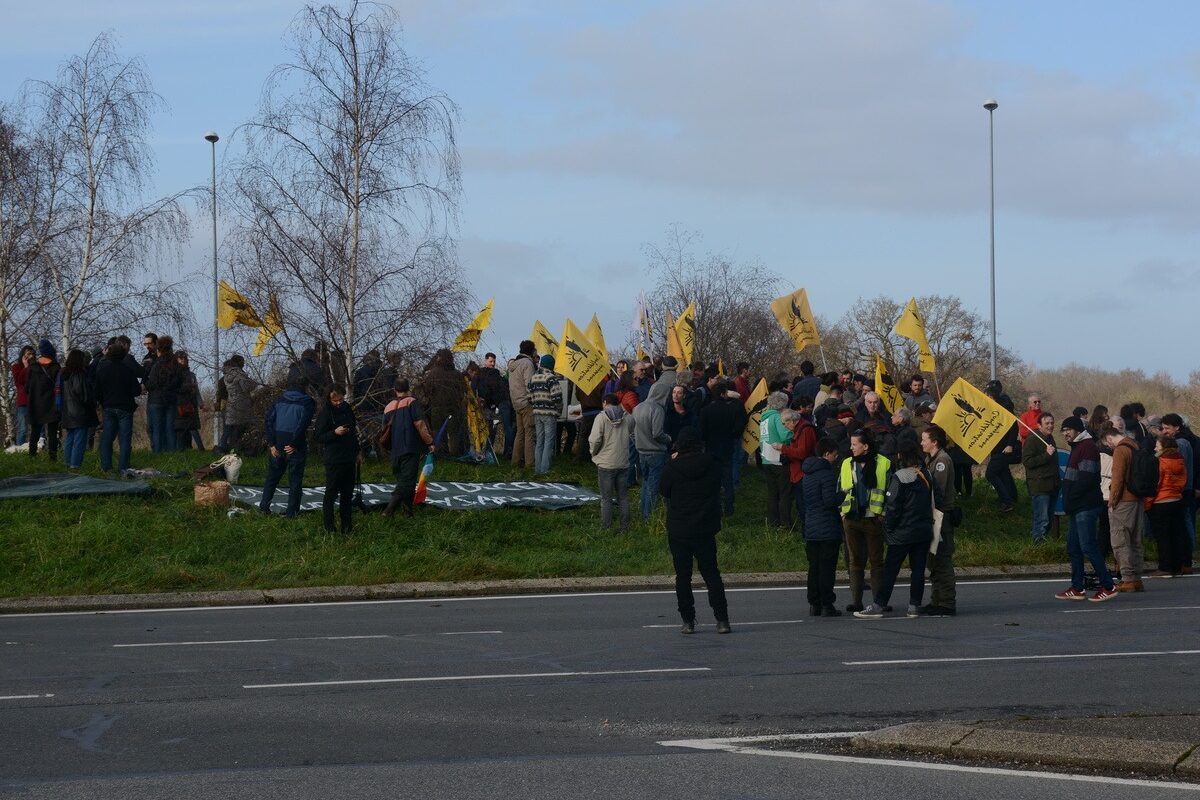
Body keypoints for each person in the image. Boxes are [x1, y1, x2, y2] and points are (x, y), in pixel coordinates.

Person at [659, 427, 729, 635]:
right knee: (711, 574)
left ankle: (688, 620)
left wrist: (673, 462)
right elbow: (719, 484)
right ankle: (722, 619)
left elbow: (664, 490)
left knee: (683, 576)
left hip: (680, 527)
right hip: (705, 526)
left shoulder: (673, 467)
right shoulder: (712, 464)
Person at [854, 441, 935, 619]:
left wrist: (888, 528)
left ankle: (879, 605)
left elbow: (893, 507)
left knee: (890, 570)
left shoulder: (899, 477)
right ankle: (914, 606)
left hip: (902, 533)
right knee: (918, 570)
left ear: (900, 457)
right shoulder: (926, 474)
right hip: (923, 530)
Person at [1054, 416, 1117, 602]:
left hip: (1086, 506)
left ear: (1077, 430)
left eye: (1068, 429)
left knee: (1088, 546)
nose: (1065, 433)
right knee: (1073, 547)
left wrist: (1071, 497)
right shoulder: (1077, 447)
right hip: (1076, 506)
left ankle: (1108, 585)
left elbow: (1087, 478)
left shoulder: (1087, 447)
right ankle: (1077, 587)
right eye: (1063, 430)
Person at [839, 429, 891, 612]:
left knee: (877, 561)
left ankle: (879, 601)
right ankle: (856, 601)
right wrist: (842, 513)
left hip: (873, 519)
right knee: (855, 561)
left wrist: (882, 513)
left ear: (866, 446)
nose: (851, 447)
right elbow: (840, 489)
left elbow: (889, 491)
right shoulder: (847, 463)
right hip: (851, 518)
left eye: (854, 444)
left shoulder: (883, 463)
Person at [259, 379, 316, 518]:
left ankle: (263, 507)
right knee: (295, 481)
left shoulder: (279, 400)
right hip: (295, 447)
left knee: (272, 478)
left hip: (277, 445)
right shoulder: (308, 402)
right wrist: (294, 444)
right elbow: (303, 424)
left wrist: (272, 444)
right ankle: (292, 513)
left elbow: (268, 421)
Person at [802, 438, 845, 617]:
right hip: (827, 527)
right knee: (827, 568)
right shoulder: (827, 474)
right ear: (827, 454)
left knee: (814, 567)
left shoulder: (807, 474)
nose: (835, 459)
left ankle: (814, 604)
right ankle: (828, 604)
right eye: (834, 455)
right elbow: (829, 500)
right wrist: (842, 495)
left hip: (811, 526)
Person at [1101, 423, 1145, 592]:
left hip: (1124, 500)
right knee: (1135, 540)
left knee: (1120, 539)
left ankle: (1127, 578)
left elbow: (1117, 478)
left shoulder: (1120, 450)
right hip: (1137, 499)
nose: (1109, 447)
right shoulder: (1135, 445)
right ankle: (1137, 578)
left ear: (1110, 438)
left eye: (1108, 444)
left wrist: (1112, 502)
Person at [919, 424, 958, 616]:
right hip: (933, 515)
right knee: (933, 559)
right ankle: (936, 600)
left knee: (942, 559)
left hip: (941, 515)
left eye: (924, 439)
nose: (921, 443)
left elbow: (938, 491)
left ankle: (947, 602)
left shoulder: (942, 460)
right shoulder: (930, 459)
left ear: (934, 442)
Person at [383, 378, 434, 517]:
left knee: (404, 479)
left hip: (394, 449)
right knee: (407, 480)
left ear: (395, 390)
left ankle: (408, 511)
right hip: (410, 447)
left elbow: (384, 428)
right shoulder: (412, 402)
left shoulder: (388, 406)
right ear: (408, 389)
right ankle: (390, 509)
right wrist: (429, 442)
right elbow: (420, 424)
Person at [314, 383, 361, 534]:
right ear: (329, 399)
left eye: (341, 399)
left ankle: (347, 527)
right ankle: (329, 527)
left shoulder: (347, 409)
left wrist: (358, 451)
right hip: (334, 459)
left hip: (349, 457)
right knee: (331, 494)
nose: (339, 403)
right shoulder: (325, 413)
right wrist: (335, 432)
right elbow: (318, 437)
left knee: (347, 495)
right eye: (335, 401)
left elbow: (353, 432)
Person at [699, 381, 748, 517]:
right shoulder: (731, 409)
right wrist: (732, 436)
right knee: (728, 479)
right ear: (723, 394)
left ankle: (715, 506)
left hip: (711, 448)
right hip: (727, 446)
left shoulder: (705, 410)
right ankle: (729, 508)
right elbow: (738, 427)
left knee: (713, 479)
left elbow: (702, 432)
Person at [1159, 413, 1196, 574]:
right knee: (1184, 526)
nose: (1164, 431)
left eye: (1167, 428)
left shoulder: (1180, 443)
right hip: (1184, 489)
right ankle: (1184, 560)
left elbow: (1176, 467)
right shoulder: (1188, 440)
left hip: (1180, 491)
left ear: (1177, 428)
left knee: (1183, 527)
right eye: (1163, 428)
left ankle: (1184, 560)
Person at [94, 341, 140, 471]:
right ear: (123, 355)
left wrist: (104, 401)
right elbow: (136, 391)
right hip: (125, 408)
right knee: (125, 440)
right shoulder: (128, 371)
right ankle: (124, 468)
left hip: (108, 407)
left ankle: (106, 467)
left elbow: (96, 392)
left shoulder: (102, 370)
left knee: (107, 438)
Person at [589, 393, 632, 531]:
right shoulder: (628, 418)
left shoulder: (601, 418)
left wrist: (593, 452)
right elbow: (632, 429)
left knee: (606, 498)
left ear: (605, 402)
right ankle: (625, 527)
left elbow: (594, 439)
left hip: (606, 463)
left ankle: (606, 527)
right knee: (623, 497)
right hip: (623, 462)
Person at [1147, 435, 1189, 577]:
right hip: (1176, 499)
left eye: (1157, 446)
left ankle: (1165, 567)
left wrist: (1148, 503)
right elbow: (1183, 481)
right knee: (1176, 534)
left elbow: (1156, 483)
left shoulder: (1160, 461)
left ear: (1163, 447)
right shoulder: (1179, 459)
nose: (1155, 448)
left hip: (1161, 501)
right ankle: (1177, 566)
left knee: (1162, 536)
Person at [633, 377, 672, 519]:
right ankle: (648, 517)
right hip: (656, 452)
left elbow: (632, 429)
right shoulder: (657, 409)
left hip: (641, 451)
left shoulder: (638, 407)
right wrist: (669, 439)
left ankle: (643, 511)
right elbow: (657, 433)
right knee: (653, 487)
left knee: (646, 482)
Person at [1021, 412, 1060, 544]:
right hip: (1039, 485)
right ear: (1039, 425)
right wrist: (1046, 455)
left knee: (1049, 517)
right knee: (1042, 518)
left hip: (1052, 484)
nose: (1050, 426)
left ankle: (1043, 542)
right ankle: (1038, 544)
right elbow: (1027, 461)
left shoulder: (1050, 438)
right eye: (1047, 423)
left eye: (1052, 423)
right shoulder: (1032, 439)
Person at [777, 407, 817, 528]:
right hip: (798, 472)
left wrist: (783, 448)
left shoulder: (805, 430)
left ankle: (809, 530)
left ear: (793, 421)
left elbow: (802, 452)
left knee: (804, 504)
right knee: (800, 504)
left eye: (785, 423)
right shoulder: (800, 428)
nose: (784, 426)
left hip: (803, 473)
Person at [760, 391, 793, 528]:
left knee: (772, 493)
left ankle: (773, 522)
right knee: (785, 493)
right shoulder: (777, 418)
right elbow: (785, 436)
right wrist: (793, 432)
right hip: (779, 458)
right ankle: (785, 523)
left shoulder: (764, 418)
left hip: (766, 459)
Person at [59, 349, 96, 469]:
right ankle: (75, 465)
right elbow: (82, 393)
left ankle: (67, 463)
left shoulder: (64, 374)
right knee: (80, 440)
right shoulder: (78, 374)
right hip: (79, 412)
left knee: (70, 438)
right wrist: (91, 402)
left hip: (67, 412)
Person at [144, 336, 182, 453]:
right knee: (170, 428)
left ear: (159, 349)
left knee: (157, 429)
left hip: (156, 400)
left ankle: (157, 453)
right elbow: (179, 381)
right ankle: (171, 453)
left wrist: (145, 385)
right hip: (171, 399)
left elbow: (152, 383)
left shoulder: (157, 364)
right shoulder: (175, 364)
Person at [25, 339, 61, 460]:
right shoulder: (56, 366)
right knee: (52, 433)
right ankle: (52, 458)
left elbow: (27, 387)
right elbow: (59, 385)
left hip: (35, 403)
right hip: (51, 403)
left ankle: (32, 456)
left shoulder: (32, 366)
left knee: (35, 432)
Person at [528, 354, 562, 475]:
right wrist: (559, 411)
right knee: (549, 441)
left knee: (539, 441)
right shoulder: (551, 378)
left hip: (537, 413)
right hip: (549, 414)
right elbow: (557, 397)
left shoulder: (533, 378)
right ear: (552, 366)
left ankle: (537, 469)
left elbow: (529, 398)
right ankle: (545, 470)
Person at [507, 340, 538, 469]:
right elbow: (530, 385)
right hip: (526, 403)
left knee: (520, 433)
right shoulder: (527, 364)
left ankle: (515, 461)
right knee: (529, 433)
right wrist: (533, 400)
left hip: (516, 403)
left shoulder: (513, 365)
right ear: (531, 351)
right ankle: (529, 464)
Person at [477, 352, 514, 458]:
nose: (493, 364)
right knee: (507, 427)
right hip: (501, 402)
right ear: (485, 361)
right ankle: (506, 452)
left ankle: (489, 451)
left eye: (494, 361)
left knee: (493, 428)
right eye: (491, 361)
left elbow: (487, 391)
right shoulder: (495, 375)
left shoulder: (491, 375)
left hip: (497, 403)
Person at [217, 355, 255, 454]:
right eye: (242, 361)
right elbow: (246, 387)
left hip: (230, 403)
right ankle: (235, 448)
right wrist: (253, 383)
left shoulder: (226, 376)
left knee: (229, 427)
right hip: (241, 404)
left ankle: (222, 447)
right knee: (240, 427)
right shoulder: (239, 374)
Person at [173, 351, 203, 450]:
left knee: (192, 427)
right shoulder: (174, 374)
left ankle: (200, 448)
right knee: (181, 429)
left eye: (185, 358)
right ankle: (181, 449)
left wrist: (200, 403)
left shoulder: (191, 375)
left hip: (191, 403)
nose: (183, 360)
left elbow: (197, 390)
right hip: (179, 404)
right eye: (181, 358)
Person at [10, 345, 34, 446]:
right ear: (23, 355)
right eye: (28, 353)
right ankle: (20, 450)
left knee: (37, 428)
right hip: (23, 401)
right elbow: (19, 381)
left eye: (32, 354)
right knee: (22, 428)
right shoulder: (16, 367)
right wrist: (26, 367)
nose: (31, 356)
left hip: (35, 400)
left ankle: (36, 449)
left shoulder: (35, 366)